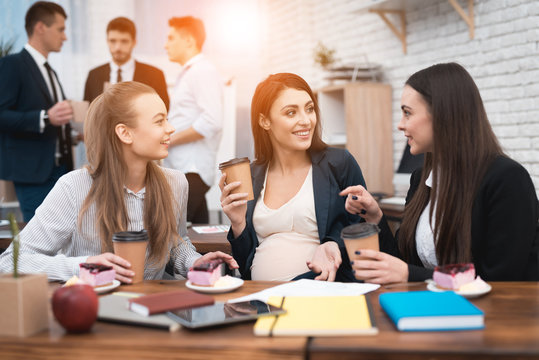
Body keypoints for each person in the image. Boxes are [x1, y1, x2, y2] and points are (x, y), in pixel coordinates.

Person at [0, 81, 237, 282]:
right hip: (91, 314)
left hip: (155, 313)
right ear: (125, 133)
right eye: (159, 121)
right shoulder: (73, 187)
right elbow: (10, 261)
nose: (171, 128)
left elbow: (175, 242)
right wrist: (85, 267)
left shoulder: (176, 183)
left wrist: (194, 261)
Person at [341, 62, 539, 283]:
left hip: (485, 315)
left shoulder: (506, 180)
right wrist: (376, 217)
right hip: (427, 311)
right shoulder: (420, 180)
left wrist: (411, 274)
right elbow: (403, 264)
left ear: (443, 115)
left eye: (408, 113)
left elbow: (499, 282)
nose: (400, 124)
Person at [219, 73, 391, 282]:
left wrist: (334, 244)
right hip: (262, 298)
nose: (306, 120)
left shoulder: (339, 163)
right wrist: (238, 224)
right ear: (265, 121)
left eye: (309, 109)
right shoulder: (253, 174)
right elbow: (245, 265)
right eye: (291, 112)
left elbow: (363, 234)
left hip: (324, 292)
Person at [0, 1, 74, 222]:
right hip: (33, 175)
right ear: (41, 27)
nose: (65, 37)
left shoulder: (50, 71)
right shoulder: (12, 64)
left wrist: (70, 135)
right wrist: (44, 117)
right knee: (40, 239)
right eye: (60, 29)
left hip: (59, 171)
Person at [163, 16, 223, 224]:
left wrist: (169, 140)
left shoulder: (202, 71)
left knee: (175, 233)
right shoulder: (190, 72)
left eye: (171, 38)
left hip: (192, 171)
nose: (165, 44)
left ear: (189, 40)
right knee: (197, 233)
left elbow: (212, 120)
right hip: (185, 170)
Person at [84, 17, 169, 109]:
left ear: (134, 42)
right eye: (112, 41)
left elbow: (163, 111)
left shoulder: (155, 75)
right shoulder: (94, 75)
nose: (118, 48)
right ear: (107, 41)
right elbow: (89, 114)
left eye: (124, 41)